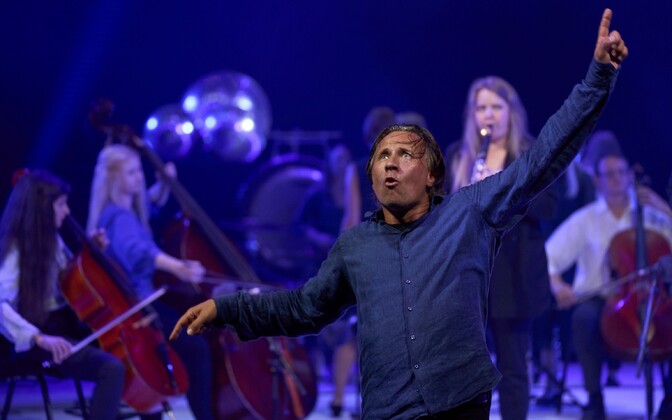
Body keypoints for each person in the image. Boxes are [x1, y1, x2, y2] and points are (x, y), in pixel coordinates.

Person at [171, 9, 627, 419]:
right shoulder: (355, 247)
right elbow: (303, 308)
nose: (390, 162)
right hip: (388, 410)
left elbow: (543, 156)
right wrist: (226, 308)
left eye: (405, 154)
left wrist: (598, 77)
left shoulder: (467, 214)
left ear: (431, 175)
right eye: (382, 156)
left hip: (459, 403)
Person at [444, 73, 558, 420]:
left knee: (512, 367)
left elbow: (547, 207)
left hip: (514, 276)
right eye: (481, 108)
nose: (489, 115)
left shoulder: (529, 153)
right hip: (468, 276)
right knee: (465, 370)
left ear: (511, 112)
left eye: (496, 107)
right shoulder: (458, 155)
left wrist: (501, 189)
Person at [545, 134, 672, 420]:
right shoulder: (586, 219)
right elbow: (548, 255)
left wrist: (665, 208)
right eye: (609, 175)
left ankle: (670, 401)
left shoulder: (651, 216)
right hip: (601, 299)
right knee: (583, 318)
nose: (616, 179)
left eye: (621, 173)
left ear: (630, 176)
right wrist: (558, 285)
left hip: (651, 299)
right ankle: (594, 399)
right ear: (598, 180)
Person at [86, 144, 214, 420]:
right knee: (197, 348)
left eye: (138, 171)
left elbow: (148, 205)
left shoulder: (120, 212)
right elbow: (137, 250)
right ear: (115, 178)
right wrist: (178, 267)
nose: (138, 177)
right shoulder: (118, 216)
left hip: (140, 303)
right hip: (140, 306)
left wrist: (163, 186)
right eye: (131, 173)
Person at [0, 170, 126, 420]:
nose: (66, 211)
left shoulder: (52, 239)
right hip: (42, 337)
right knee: (111, 368)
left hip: (67, 326)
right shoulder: (16, 250)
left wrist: (90, 252)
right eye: (60, 204)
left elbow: (71, 279)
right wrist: (39, 338)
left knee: (127, 353)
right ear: (42, 209)